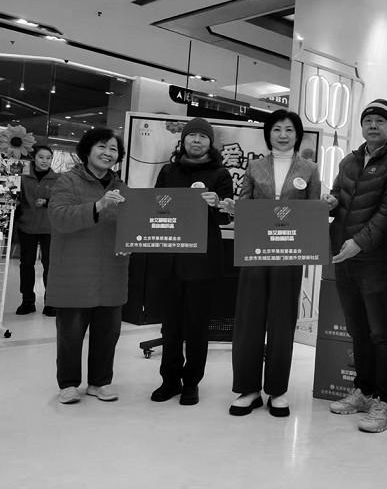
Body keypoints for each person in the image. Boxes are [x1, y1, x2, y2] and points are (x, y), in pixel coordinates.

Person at [219, 109, 320, 418]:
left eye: (289, 129)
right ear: (268, 134)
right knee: (249, 320)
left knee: (282, 321)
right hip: (255, 252)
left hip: (289, 255)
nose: (283, 135)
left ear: (297, 134)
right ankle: (248, 389)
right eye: (277, 129)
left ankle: (277, 390)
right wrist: (233, 208)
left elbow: (313, 213)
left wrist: (325, 208)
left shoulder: (310, 169)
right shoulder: (255, 166)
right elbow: (244, 206)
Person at [324, 99, 387, 433]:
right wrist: (330, 201)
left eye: (380, 121)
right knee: (357, 329)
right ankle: (365, 391)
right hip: (346, 258)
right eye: (368, 120)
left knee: (382, 333)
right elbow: (339, 196)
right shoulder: (349, 161)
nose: (373, 125)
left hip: (377, 260)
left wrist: (360, 242)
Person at [149, 118, 233, 406]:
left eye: (202, 136)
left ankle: (192, 382)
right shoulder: (168, 171)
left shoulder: (221, 174)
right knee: (170, 325)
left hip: (203, 261)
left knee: (197, 326)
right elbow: (155, 209)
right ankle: (169, 380)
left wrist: (217, 205)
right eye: (192, 135)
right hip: (170, 259)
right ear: (183, 140)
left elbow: (224, 218)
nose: (196, 140)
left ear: (210, 142)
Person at [46, 128, 130, 405]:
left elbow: (134, 222)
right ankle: (68, 384)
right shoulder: (67, 181)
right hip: (74, 270)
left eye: (113, 149)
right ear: (87, 150)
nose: (108, 153)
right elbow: (58, 217)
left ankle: (100, 382)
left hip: (111, 269)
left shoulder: (122, 187)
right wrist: (98, 206)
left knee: (108, 332)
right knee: (70, 333)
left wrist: (134, 239)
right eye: (102, 147)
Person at [15, 145, 58, 316]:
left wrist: (47, 202)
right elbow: (15, 196)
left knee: (50, 265)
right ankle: (27, 301)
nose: (45, 161)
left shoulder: (58, 179)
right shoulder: (23, 176)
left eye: (48, 158)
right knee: (26, 265)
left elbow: (64, 201)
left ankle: (51, 302)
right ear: (34, 158)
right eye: (41, 157)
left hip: (50, 227)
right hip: (27, 226)